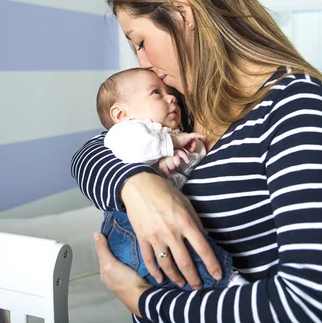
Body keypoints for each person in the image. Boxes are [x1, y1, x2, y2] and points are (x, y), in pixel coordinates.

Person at [71, 0, 322, 323]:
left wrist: (142, 301)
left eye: (140, 42)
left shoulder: (294, 103)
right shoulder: (180, 105)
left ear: (181, 11)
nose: (143, 63)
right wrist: (139, 186)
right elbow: (90, 151)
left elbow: (321, 305)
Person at [96, 67, 245, 290]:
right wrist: (174, 144)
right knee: (170, 258)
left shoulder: (165, 134)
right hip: (127, 222)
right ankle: (226, 280)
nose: (172, 98)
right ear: (120, 114)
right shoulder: (126, 131)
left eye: (168, 91)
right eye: (156, 93)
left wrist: (193, 151)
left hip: (160, 217)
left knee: (179, 255)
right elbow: (138, 151)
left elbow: (179, 171)